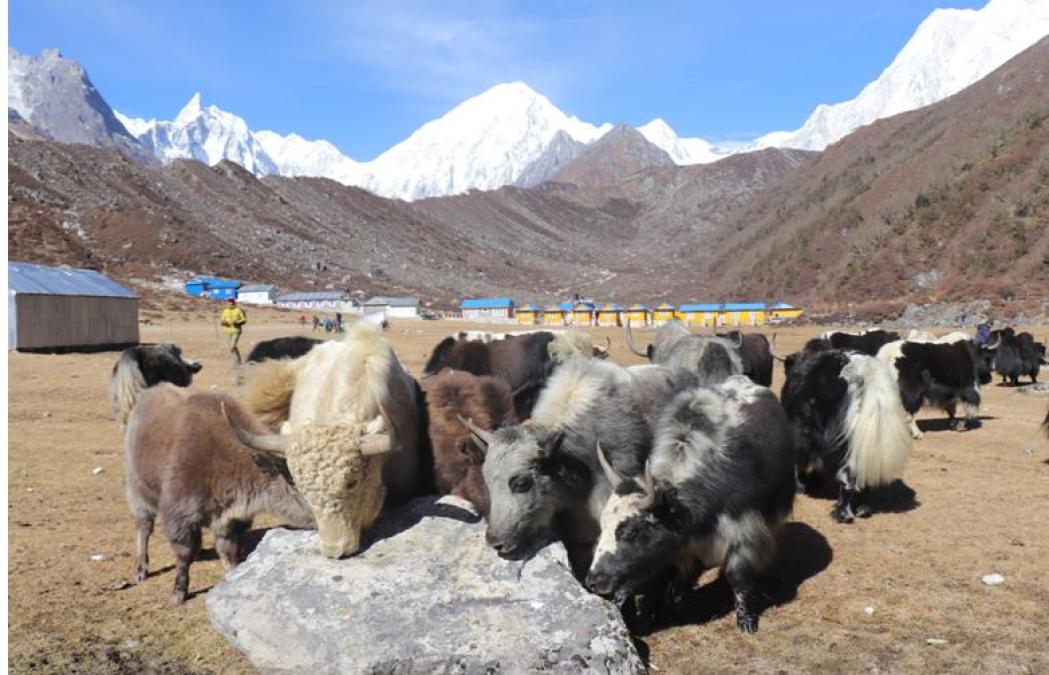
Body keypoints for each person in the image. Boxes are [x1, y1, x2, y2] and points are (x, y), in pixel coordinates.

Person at [220, 297, 247, 365]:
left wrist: (236, 322)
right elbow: (222, 321)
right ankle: (237, 362)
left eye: (231, 301)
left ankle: (237, 362)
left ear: (233, 302)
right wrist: (224, 323)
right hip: (228, 331)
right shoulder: (225, 311)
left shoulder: (238, 310)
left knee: (232, 347)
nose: (230, 303)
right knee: (231, 348)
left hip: (236, 330)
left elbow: (244, 320)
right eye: (228, 302)